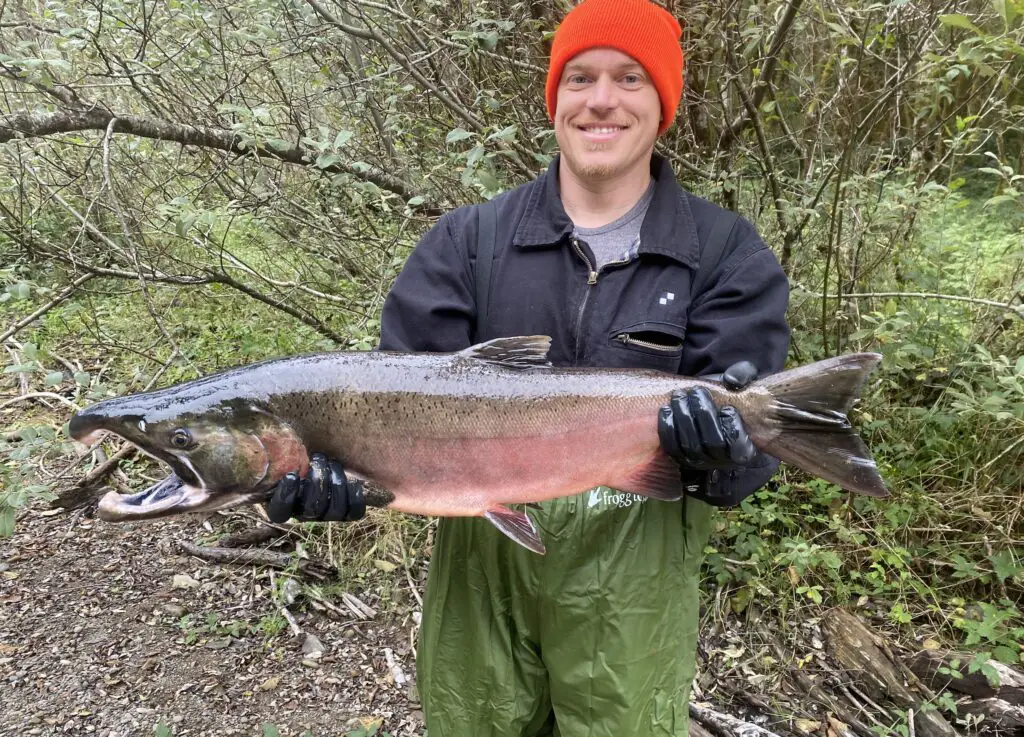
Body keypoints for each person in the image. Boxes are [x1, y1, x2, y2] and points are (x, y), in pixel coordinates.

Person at [268, 0, 790, 734]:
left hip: (632, 598)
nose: (600, 99)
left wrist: (724, 452)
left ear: (663, 103)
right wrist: (323, 474)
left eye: (629, 78)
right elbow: (388, 408)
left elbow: (745, 462)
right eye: (579, 77)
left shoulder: (726, 253)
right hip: (481, 581)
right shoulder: (468, 242)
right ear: (555, 98)